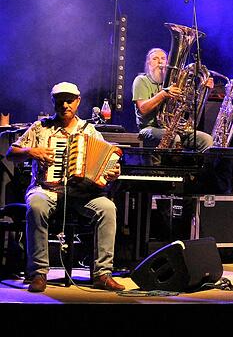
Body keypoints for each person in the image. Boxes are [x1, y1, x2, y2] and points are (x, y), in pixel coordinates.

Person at [6, 82, 124, 292]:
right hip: (46, 190)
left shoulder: (90, 131)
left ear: (78, 102)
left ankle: (102, 274)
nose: (65, 105)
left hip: (82, 194)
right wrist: (31, 152)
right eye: (60, 101)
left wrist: (113, 173)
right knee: (36, 205)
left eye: (70, 100)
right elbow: (11, 153)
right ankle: (39, 273)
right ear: (53, 102)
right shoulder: (40, 127)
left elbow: (109, 164)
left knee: (107, 209)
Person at [132, 48, 213, 151]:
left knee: (207, 139)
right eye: (155, 59)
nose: (160, 62)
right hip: (149, 128)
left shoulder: (174, 81)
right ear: (148, 63)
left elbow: (190, 104)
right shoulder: (141, 80)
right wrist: (163, 94)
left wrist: (205, 90)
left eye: (163, 59)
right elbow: (143, 109)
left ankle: (201, 167)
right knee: (173, 137)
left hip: (174, 128)